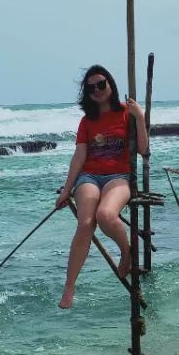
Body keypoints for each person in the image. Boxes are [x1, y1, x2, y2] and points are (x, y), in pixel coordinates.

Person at [55, 65, 149, 309]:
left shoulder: (126, 112)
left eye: (101, 84)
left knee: (106, 215)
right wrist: (67, 190)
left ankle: (126, 251)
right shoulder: (87, 121)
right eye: (91, 87)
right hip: (89, 177)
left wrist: (140, 117)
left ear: (111, 85)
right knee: (86, 222)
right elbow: (79, 156)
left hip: (119, 176)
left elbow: (142, 149)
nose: (97, 90)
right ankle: (69, 286)